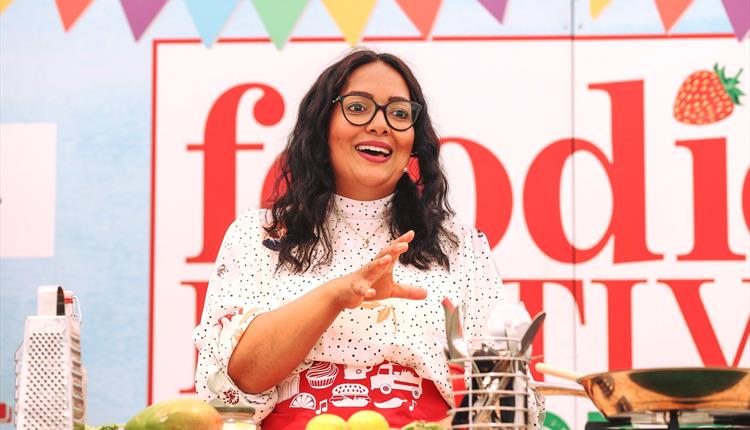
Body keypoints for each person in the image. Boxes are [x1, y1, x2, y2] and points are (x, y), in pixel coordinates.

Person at [192, 49, 539, 429]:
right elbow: (229, 388)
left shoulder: (458, 244)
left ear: (413, 141)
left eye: (400, 113)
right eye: (358, 108)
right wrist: (335, 296)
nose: (380, 125)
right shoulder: (259, 235)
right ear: (323, 124)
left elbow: (504, 404)